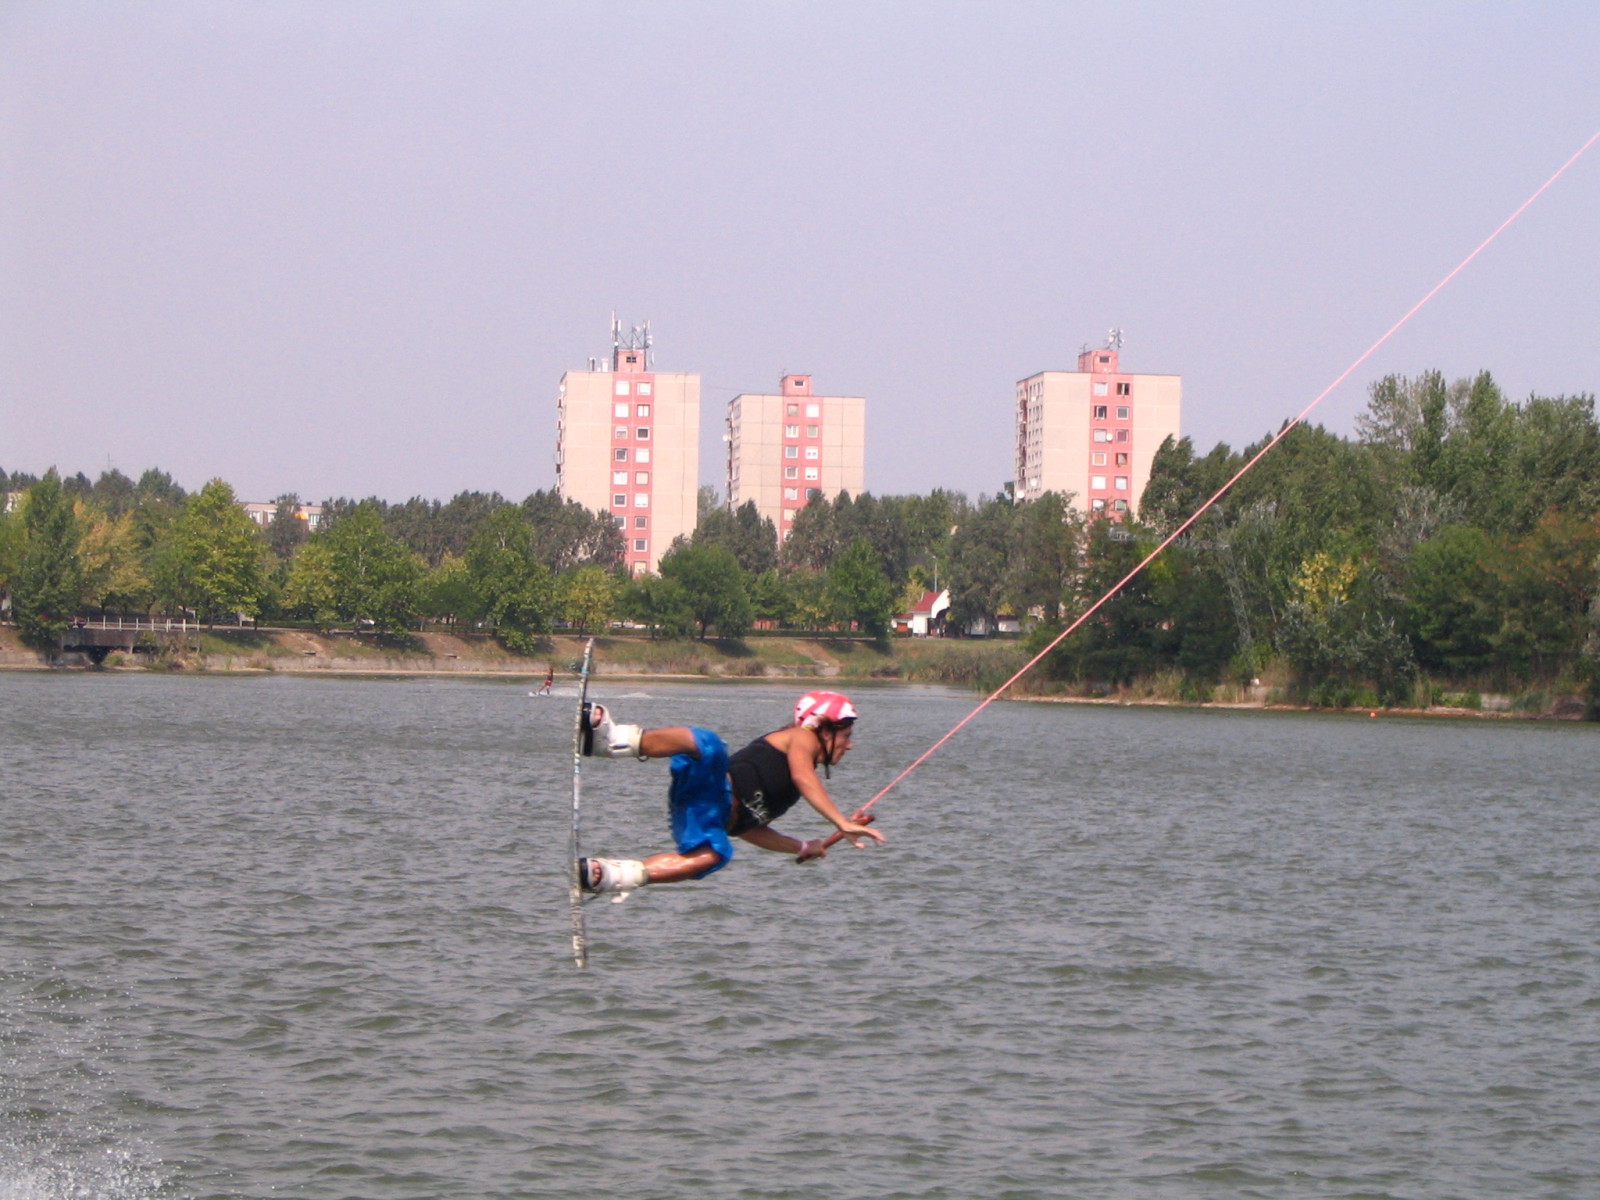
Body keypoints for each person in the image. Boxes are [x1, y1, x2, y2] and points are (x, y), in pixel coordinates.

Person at [577, 690, 884, 896]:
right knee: (708, 745)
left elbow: (749, 828)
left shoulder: (792, 787)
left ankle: (610, 876)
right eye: (846, 736)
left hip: (705, 817)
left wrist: (801, 846)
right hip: (710, 785)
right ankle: (612, 741)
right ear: (823, 729)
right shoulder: (801, 738)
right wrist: (840, 822)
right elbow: (803, 775)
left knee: (715, 855)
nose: (850, 744)